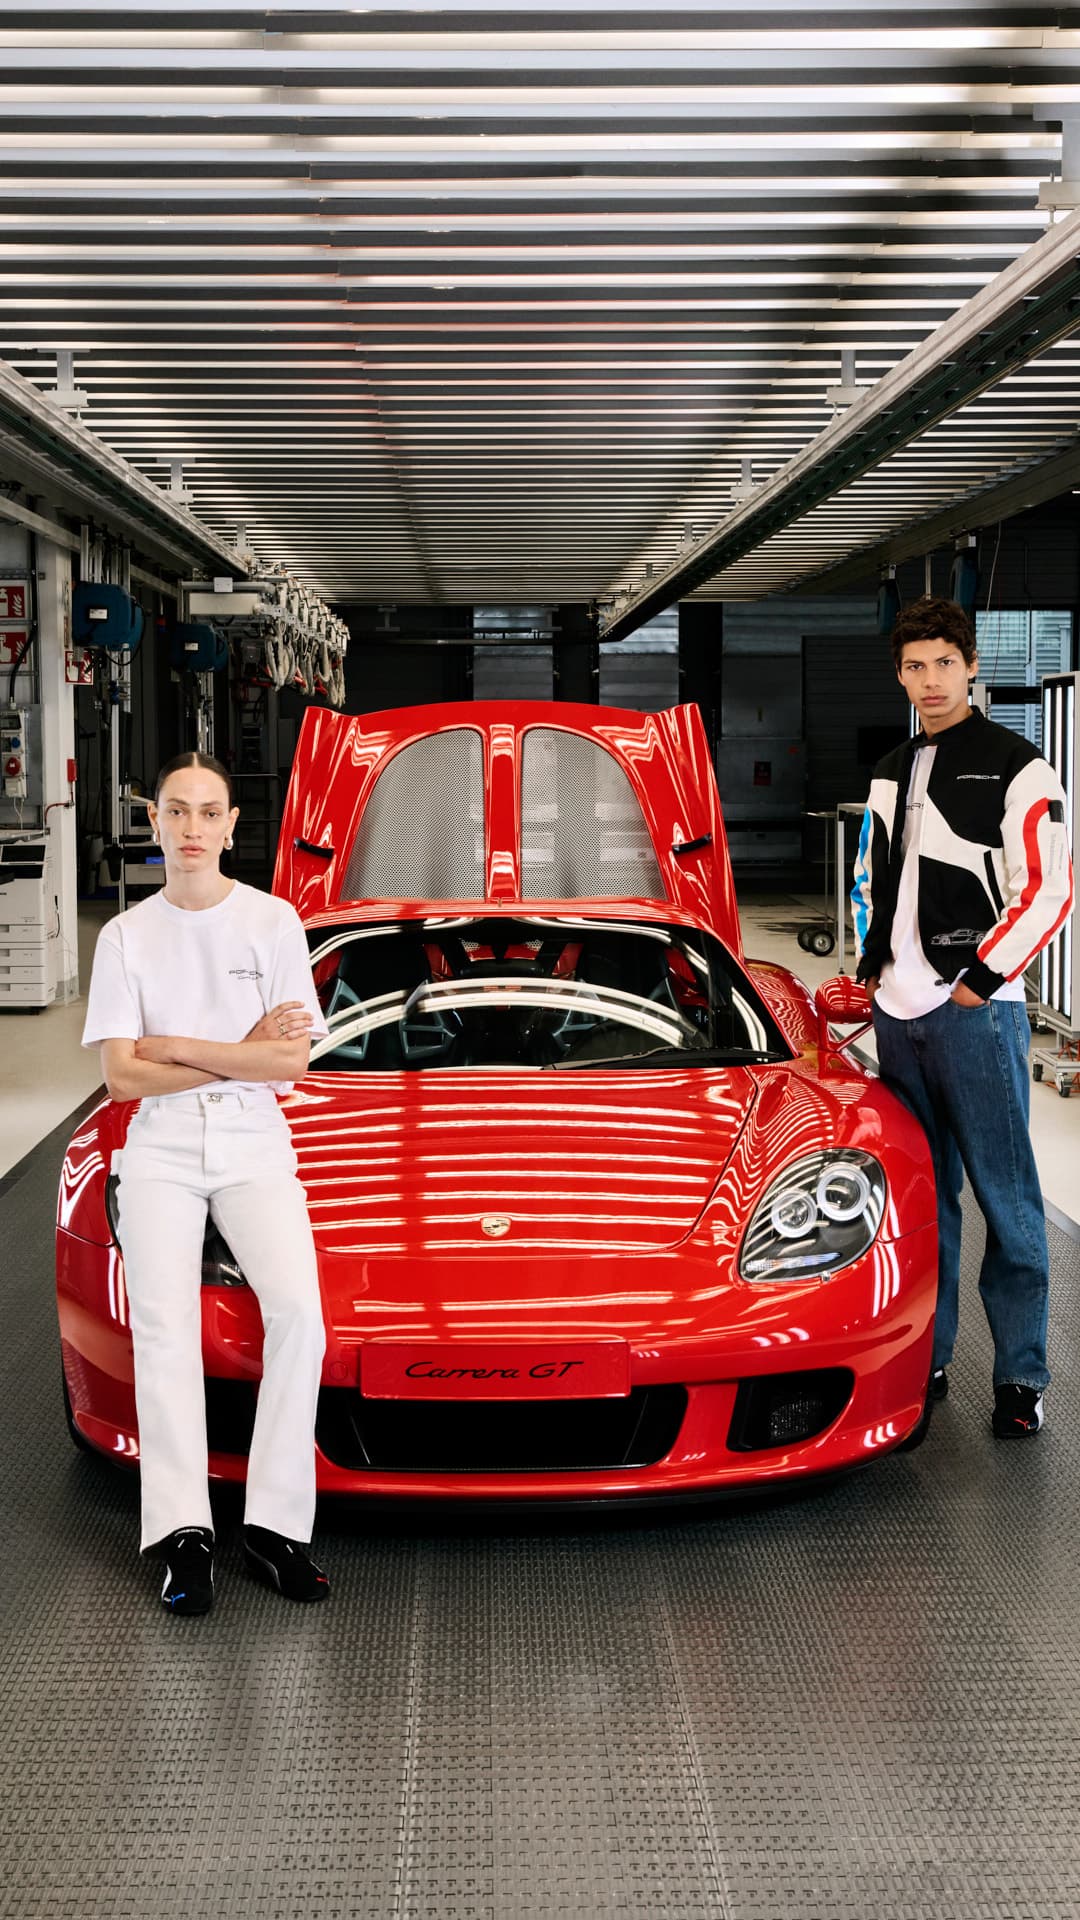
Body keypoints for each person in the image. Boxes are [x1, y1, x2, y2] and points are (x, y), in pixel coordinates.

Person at [82, 750, 331, 1614]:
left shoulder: (272, 923)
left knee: (300, 1312)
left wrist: (175, 1045)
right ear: (154, 821)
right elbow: (122, 1081)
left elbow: (290, 1058)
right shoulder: (126, 937)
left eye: (208, 812)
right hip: (159, 1152)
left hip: (257, 1144)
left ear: (232, 825)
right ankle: (184, 1533)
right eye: (176, 811)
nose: (192, 828)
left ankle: (274, 1525)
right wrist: (237, 1053)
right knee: (164, 1329)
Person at [852, 596, 1073, 1436]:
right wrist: (869, 963)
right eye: (915, 665)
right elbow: (872, 876)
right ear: (900, 673)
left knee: (1007, 1200)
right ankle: (929, 1357)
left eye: (945, 662)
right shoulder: (889, 764)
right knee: (922, 1204)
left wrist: (982, 978)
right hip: (897, 1018)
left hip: (974, 1014)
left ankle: (1021, 1380)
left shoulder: (1019, 763)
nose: (930, 679)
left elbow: (1050, 885)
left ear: (971, 665)